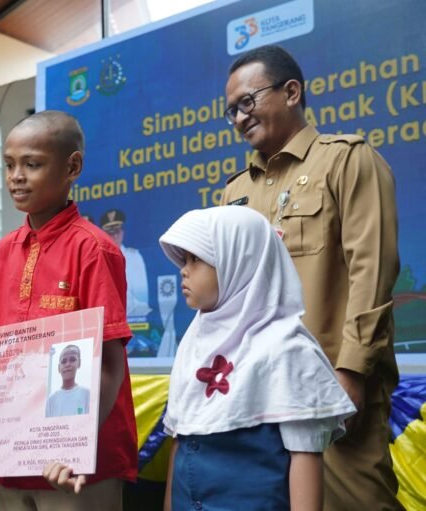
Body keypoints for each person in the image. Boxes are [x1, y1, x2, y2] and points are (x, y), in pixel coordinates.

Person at [222, 45, 402, 510]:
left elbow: (373, 272)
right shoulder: (232, 194)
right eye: (231, 112)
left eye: (248, 102)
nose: (240, 118)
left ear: (292, 92)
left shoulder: (346, 160)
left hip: (332, 391)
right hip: (255, 397)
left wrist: (352, 373)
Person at [158, 206, 356, 511]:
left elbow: (304, 456)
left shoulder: (287, 350)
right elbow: (181, 441)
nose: (184, 270)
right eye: (184, 260)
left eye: (196, 259)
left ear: (239, 262)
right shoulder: (192, 343)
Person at [0, 110, 137, 510]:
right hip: (14, 451)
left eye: (32, 164)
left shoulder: (93, 248)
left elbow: (109, 364)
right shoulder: (5, 250)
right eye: (9, 165)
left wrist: (73, 447)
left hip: (78, 464)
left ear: (72, 166)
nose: (16, 176)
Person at [100, 209, 152, 319]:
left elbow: (141, 298)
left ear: (122, 233)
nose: (114, 236)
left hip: (133, 320)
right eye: (110, 232)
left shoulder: (133, 257)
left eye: (117, 231)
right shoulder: (97, 260)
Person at [46, 344, 90, 417]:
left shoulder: (86, 394)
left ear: (79, 363)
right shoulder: (51, 399)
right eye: (63, 361)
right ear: (59, 368)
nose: (67, 364)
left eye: (72, 359)